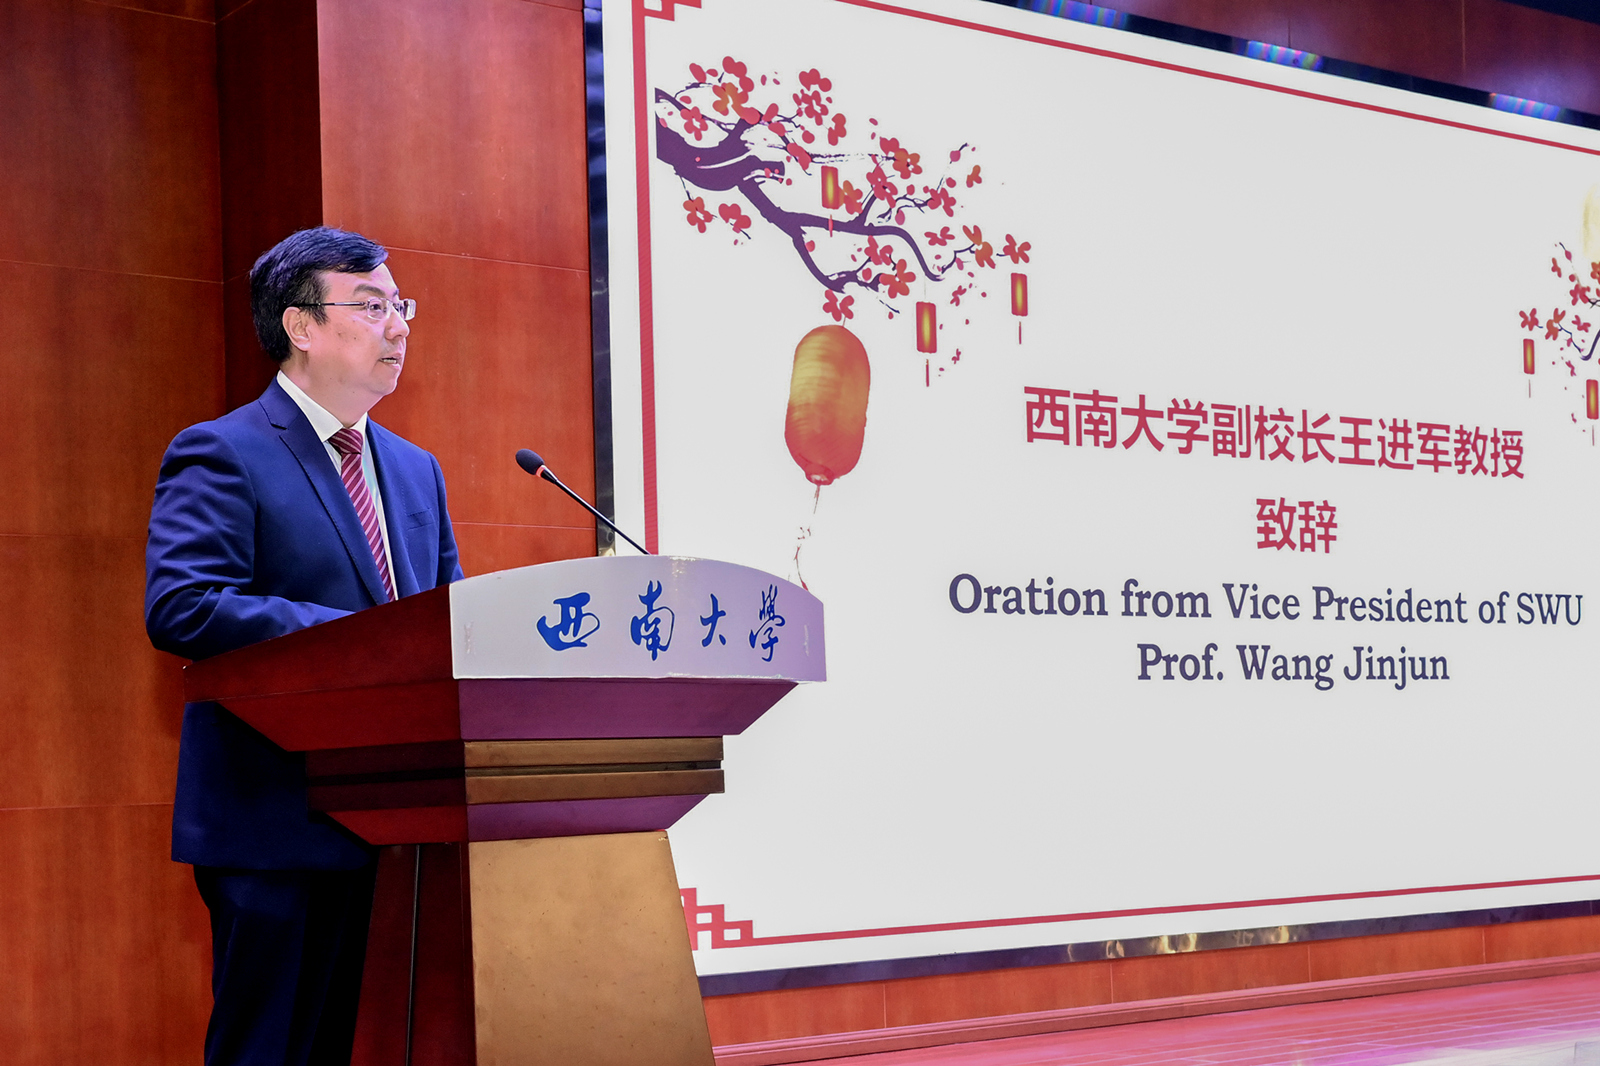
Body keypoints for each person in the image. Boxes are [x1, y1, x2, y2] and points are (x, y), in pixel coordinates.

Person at [145, 226, 463, 1066]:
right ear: (301, 325)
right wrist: (358, 639)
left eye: (401, 306)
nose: (399, 325)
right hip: (273, 817)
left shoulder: (416, 468)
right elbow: (183, 605)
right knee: (269, 1049)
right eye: (373, 306)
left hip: (398, 821)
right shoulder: (224, 451)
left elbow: (448, 622)